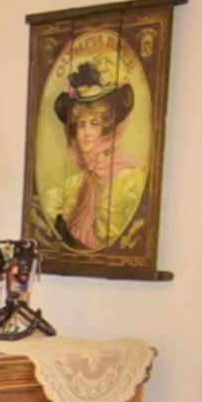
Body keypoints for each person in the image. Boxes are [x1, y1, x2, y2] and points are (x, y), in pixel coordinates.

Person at [36, 47, 147, 256]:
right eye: (81, 125)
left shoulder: (126, 178)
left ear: (105, 128)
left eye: (94, 124)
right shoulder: (72, 186)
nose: (86, 133)